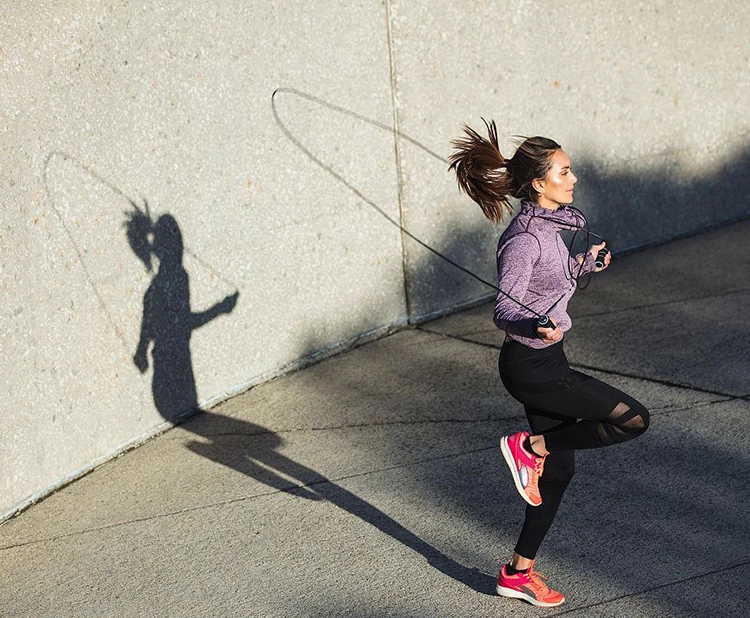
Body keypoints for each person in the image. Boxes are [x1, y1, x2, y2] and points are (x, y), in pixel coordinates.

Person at [448, 120, 649, 608]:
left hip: (547, 357)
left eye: (571, 169)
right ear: (539, 183)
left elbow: (560, 282)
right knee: (633, 419)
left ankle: (517, 573)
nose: (573, 178)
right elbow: (505, 308)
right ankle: (529, 445)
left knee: (557, 477)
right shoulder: (523, 239)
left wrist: (588, 266)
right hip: (531, 366)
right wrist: (533, 324)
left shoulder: (567, 222)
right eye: (564, 172)